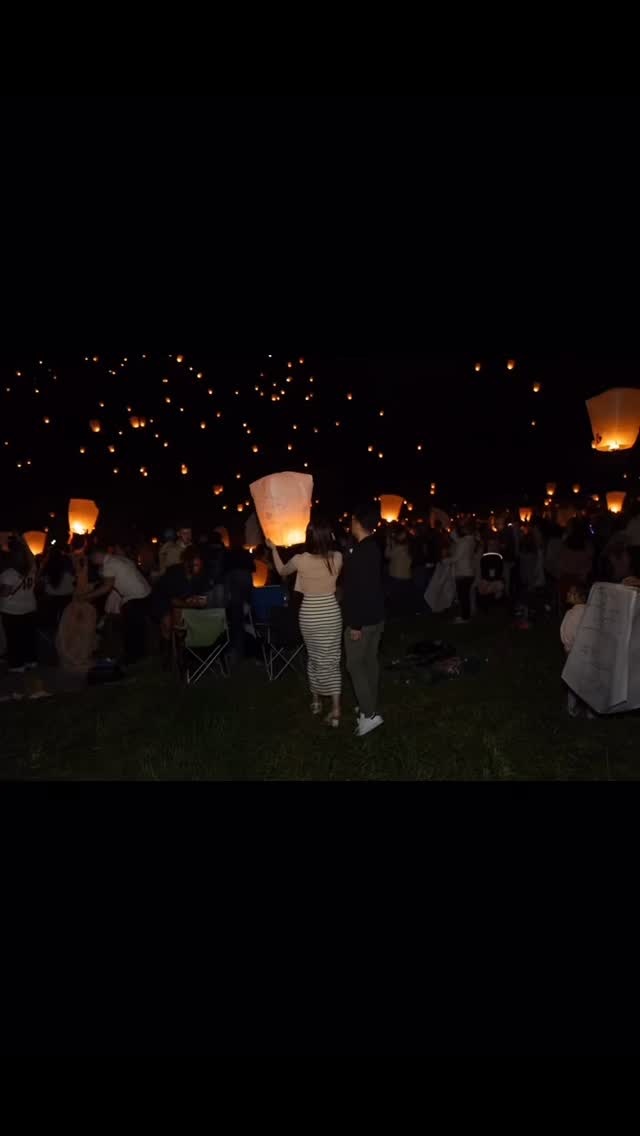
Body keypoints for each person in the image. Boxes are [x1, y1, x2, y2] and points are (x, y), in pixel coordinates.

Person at [267, 518, 343, 725]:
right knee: (333, 660)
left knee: (314, 657)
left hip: (309, 614)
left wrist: (273, 548)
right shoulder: (337, 557)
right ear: (330, 536)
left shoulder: (301, 560)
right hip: (330, 613)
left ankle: (316, 700)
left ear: (308, 537)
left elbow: (281, 571)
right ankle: (336, 710)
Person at [342, 503, 385, 737]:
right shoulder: (373, 547)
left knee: (355, 664)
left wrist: (355, 624)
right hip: (376, 615)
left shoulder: (360, 552)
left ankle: (369, 715)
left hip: (363, 619)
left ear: (357, 523)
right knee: (369, 661)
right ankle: (369, 703)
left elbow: (357, 590)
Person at [85, 545, 151, 664]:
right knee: (139, 629)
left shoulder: (109, 565)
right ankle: (141, 657)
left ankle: (131, 659)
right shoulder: (119, 558)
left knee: (131, 631)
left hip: (135, 597)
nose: (93, 563)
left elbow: (106, 587)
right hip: (145, 593)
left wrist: (87, 596)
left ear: (96, 556)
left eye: (92, 560)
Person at [0, 533, 38, 672]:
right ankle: (31, 660)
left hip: (12, 610)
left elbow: (5, 592)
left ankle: (17, 665)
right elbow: (32, 560)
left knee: (13, 638)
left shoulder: (9, 573)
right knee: (28, 636)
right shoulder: (31, 571)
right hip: (29, 607)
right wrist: (24, 543)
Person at [560, 582, 591, 717]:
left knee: (572, 682)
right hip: (589, 653)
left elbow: (566, 633)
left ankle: (571, 709)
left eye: (571, 592)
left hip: (573, 652)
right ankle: (591, 712)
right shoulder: (591, 612)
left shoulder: (571, 613)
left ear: (579, 596)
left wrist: (567, 648)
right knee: (589, 682)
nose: (567, 594)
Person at [38, 545, 75, 630]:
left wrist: (42, 565)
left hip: (50, 598)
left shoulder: (47, 570)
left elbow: (39, 581)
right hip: (66, 597)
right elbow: (74, 581)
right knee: (64, 623)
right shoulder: (68, 570)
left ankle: (50, 638)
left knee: (50, 622)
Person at [450, 519, 476, 624]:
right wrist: (452, 530)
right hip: (468, 571)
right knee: (465, 595)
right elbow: (457, 540)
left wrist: (444, 561)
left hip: (463, 572)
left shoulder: (464, 541)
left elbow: (456, 557)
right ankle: (466, 616)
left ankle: (464, 617)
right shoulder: (471, 540)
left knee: (463, 596)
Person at [385, 524, 414, 615]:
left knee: (396, 597)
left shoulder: (399, 548)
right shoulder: (409, 547)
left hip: (397, 576)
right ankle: (403, 614)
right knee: (404, 597)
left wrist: (389, 544)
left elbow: (387, 555)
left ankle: (397, 614)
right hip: (406, 575)